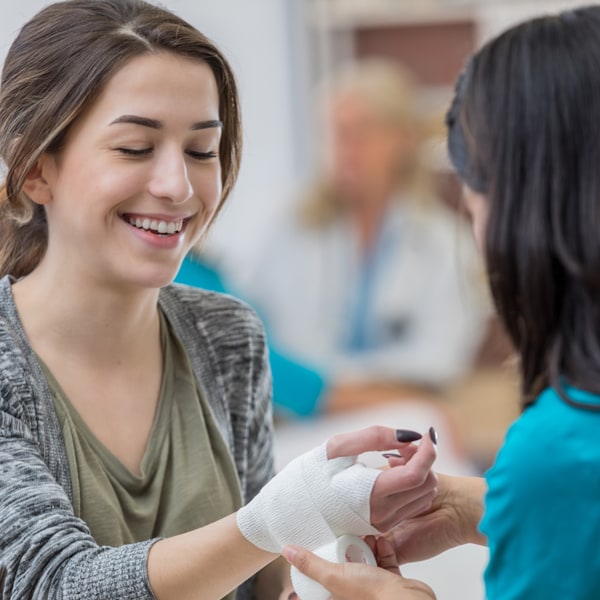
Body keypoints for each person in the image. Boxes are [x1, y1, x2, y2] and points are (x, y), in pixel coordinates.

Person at [0, 1, 441, 599]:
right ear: (35, 169)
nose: (178, 187)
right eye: (134, 147)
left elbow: (263, 584)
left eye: (202, 151)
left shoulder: (228, 335)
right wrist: (286, 513)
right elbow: (54, 585)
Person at [279, 5, 600, 599]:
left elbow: (434, 364)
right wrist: (477, 505)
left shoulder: (555, 449)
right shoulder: (293, 237)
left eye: (476, 195)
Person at [239, 58, 488, 411]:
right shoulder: (286, 231)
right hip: (298, 412)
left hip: (402, 408)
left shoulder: (447, 243)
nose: (344, 149)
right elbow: (260, 336)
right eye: (334, 132)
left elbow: (440, 358)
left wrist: (334, 382)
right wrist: (331, 387)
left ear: (402, 140)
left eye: (361, 132)